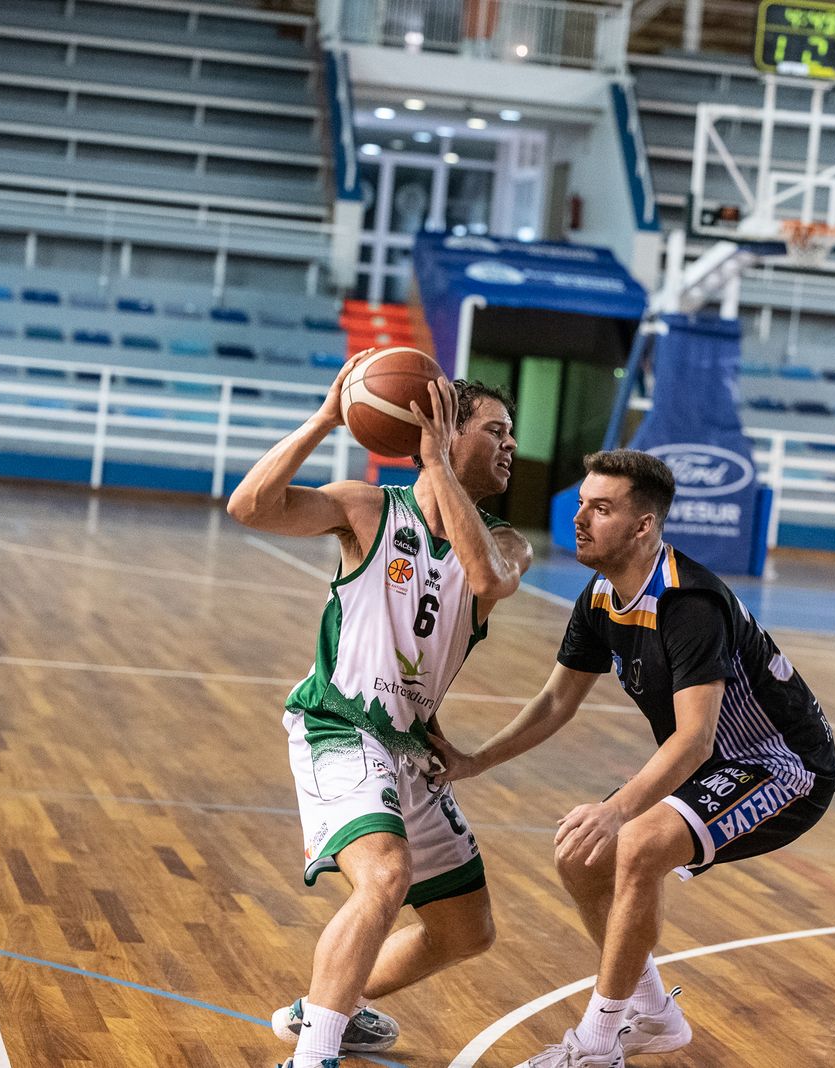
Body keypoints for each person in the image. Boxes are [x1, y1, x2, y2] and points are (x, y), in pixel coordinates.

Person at [432, 448, 835, 1068]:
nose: (580, 518)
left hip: (783, 766)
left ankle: (596, 1047)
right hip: (716, 762)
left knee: (639, 844)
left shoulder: (687, 604)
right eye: (581, 503)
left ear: (643, 526)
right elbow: (554, 702)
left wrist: (619, 810)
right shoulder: (600, 597)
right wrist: (474, 760)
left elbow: (695, 739)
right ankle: (654, 1017)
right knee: (582, 856)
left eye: (601, 508)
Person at [227, 359, 532, 1068]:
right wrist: (326, 419)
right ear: (444, 430)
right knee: (385, 875)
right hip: (338, 724)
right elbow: (250, 508)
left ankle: (326, 1007)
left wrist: (440, 468)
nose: (511, 444)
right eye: (496, 429)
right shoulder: (367, 509)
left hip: (410, 744)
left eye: (511, 432)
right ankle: (313, 1058)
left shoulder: (504, 544)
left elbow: (484, 576)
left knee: (466, 931)